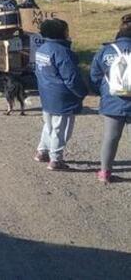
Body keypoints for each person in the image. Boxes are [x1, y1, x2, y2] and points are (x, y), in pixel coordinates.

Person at [34, 19, 87, 171]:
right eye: (66, 30)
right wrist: (82, 92)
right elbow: (71, 77)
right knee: (61, 130)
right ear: (61, 33)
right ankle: (56, 159)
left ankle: (42, 151)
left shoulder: (42, 49)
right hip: (62, 97)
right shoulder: (62, 52)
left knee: (48, 125)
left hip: (46, 93)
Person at [89, 14, 131, 183]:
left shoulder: (105, 51)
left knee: (110, 138)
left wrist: (103, 92)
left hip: (112, 102)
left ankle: (105, 172)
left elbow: (95, 76)